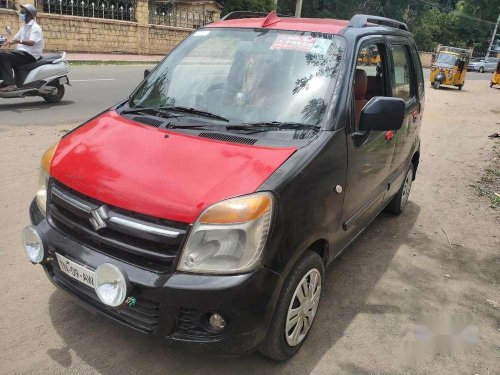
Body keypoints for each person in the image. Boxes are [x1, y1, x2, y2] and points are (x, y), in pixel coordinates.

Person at [0, 4, 44, 92]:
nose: (20, 13)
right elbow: (16, 37)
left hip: (30, 55)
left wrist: (17, 41)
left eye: (23, 12)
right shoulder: (24, 25)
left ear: (30, 15)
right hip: (22, 52)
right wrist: (5, 40)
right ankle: (7, 80)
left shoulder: (35, 28)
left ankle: (11, 85)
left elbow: (32, 42)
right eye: (21, 12)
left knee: (3, 56)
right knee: (3, 55)